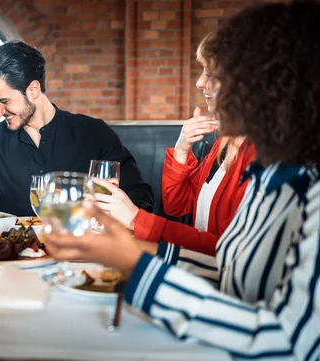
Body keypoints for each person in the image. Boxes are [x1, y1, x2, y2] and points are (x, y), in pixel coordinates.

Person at [44, 1, 320, 359]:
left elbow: (295, 346)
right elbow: (227, 267)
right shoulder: (272, 173)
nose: (199, 83)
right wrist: (130, 251)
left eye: (215, 74)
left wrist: (136, 261)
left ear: (274, 85)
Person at [92, 32, 256, 284]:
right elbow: (178, 206)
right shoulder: (223, 143)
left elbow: (227, 250)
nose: (199, 83)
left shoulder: (259, 156)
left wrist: (138, 220)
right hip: (199, 275)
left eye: (209, 75)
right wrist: (181, 150)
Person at [0, 41, 153, 216]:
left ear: (33, 90)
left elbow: (139, 198)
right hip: (19, 256)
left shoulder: (94, 133)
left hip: (86, 252)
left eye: (4, 101)